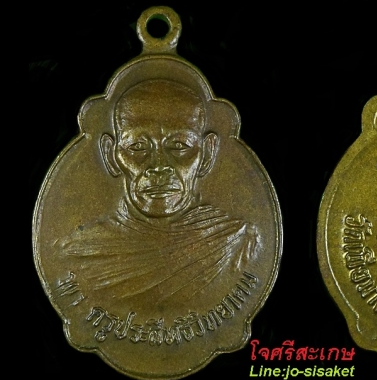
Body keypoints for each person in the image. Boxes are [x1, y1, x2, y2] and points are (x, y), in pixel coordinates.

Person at [59, 79, 258, 306]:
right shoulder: (80, 252)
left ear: (208, 154)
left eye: (179, 145)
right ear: (110, 154)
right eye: (137, 146)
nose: (159, 166)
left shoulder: (237, 241)